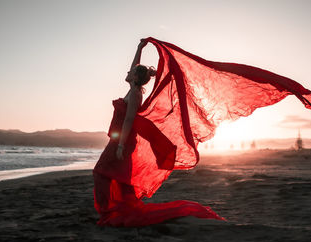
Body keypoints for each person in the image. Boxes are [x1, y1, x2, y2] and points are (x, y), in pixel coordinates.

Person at [93, 39, 224, 227]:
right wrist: (140, 48)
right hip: (120, 140)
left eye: (130, 72)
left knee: (101, 172)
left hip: (123, 141)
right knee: (117, 178)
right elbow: (134, 67)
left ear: (135, 78)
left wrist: (121, 145)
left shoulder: (136, 94)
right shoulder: (133, 88)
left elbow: (129, 120)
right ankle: (114, 211)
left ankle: (113, 212)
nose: (127, 72)